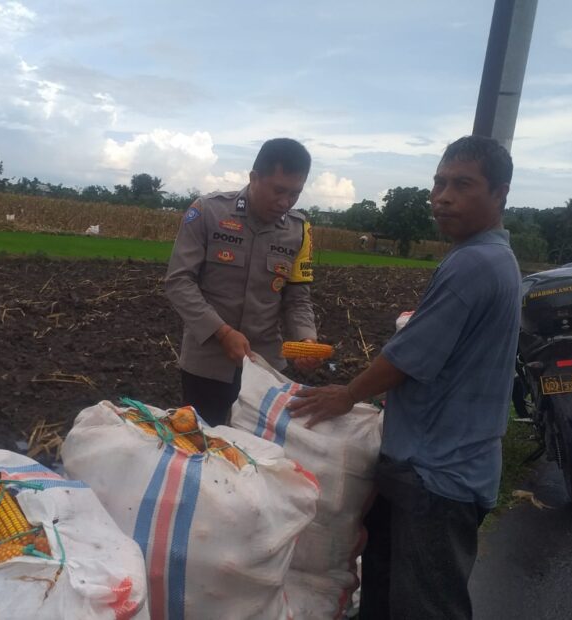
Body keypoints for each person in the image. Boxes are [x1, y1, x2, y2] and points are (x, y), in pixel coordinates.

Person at [287, 135, 521, 619]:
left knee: (424, 606)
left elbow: (408, 356)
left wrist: (347, 395)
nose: (443, 197)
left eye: (462, 185)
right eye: (439, 183)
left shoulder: (475, 263)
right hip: (437, 464)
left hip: (437, 474)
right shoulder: (489, 256)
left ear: (499, 194)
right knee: (386, 596)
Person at [165, 138, 321, 426]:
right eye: (278, 190)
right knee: (204, 441)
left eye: (295, 193)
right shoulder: (207, 212)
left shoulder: (299, 231)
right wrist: (222, 332)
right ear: (254, 178)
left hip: (266, 370)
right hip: (207, 365)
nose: (285, 202)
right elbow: (179, 281)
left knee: (259, 447)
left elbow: (297, 297)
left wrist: (305, 339)